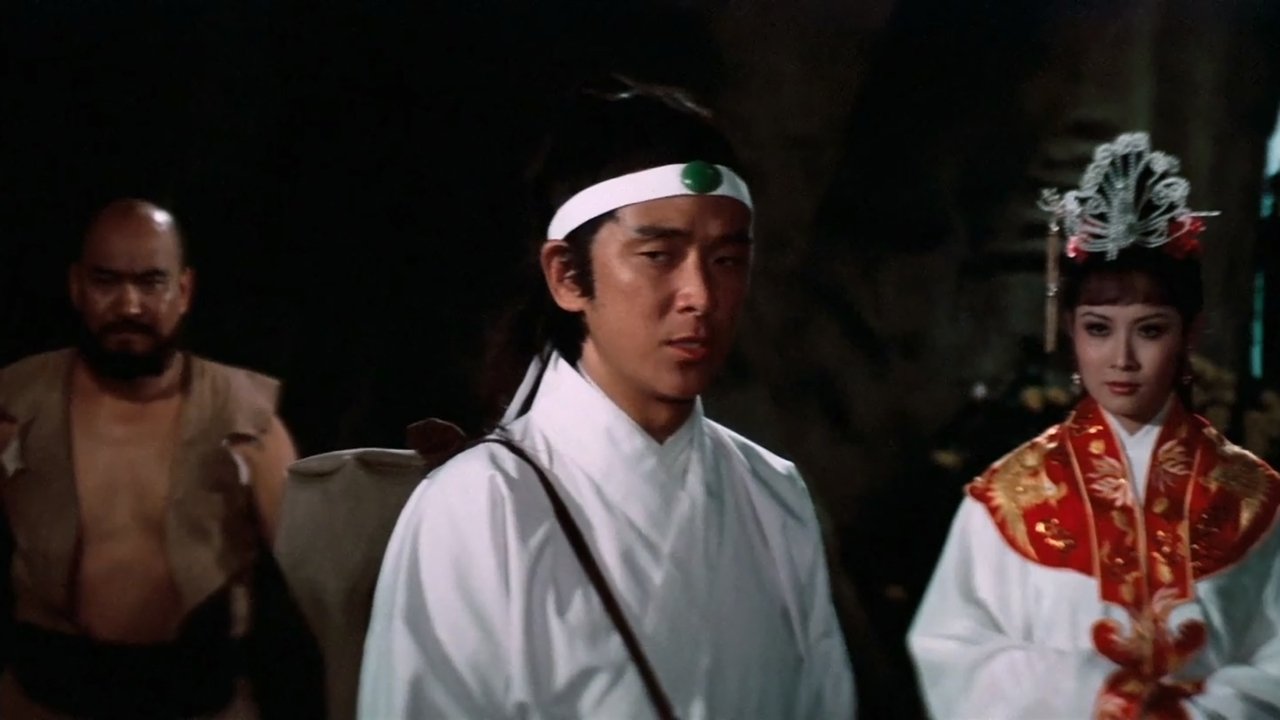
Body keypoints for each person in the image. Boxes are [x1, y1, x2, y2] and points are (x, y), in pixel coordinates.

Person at [358, 77, 857, 719]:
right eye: (658, 255)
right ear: (568, 275)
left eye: (726, 260)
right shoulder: (480, 506)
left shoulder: (774, 493)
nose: (700, 296)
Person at [908, 132, 1280, 719]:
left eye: (1150, 330)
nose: (1122, 359)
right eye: (1099, 329)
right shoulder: (1005, 500)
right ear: (1071, 331)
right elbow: (954, 654)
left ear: (1190, 334)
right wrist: (1094, 693)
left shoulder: (1255, 499)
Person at [0, 199, 299, 718]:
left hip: (201, 700)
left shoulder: (245, 420)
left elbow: (319, 575)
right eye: (106, 282)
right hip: (41, 699)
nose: (130, 306)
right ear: (76, 287)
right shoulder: (16, 406)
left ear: (184, 291)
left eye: (151, 282)